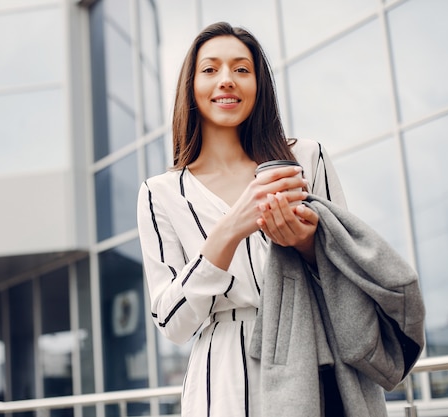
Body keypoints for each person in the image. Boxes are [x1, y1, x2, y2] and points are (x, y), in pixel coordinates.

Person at [137, 22, 424, 416]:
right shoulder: (161, 194)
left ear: (259, 85)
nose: (226, 81)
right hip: (223, 383)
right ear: (191, 86)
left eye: (241, 69)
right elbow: (172, 322)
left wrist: (307, 245)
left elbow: (352, 277)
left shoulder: (306, 159)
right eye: (210, 69)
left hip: (317, 357)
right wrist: (231, 228)